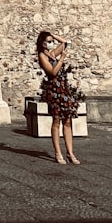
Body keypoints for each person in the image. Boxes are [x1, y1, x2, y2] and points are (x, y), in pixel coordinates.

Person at [37, 30, 81, 164]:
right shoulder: (42, 56)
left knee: (67, 120)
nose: (51, 43)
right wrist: (62, 58)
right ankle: (58, 153)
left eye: (52, 41)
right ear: (43, 43)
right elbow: (52, 71)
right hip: (54, 89)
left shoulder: (52, 53)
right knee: (56, 120)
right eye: (49, 41)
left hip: (63, 88)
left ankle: (70, 153)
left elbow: (66, 42)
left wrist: (54, 35)